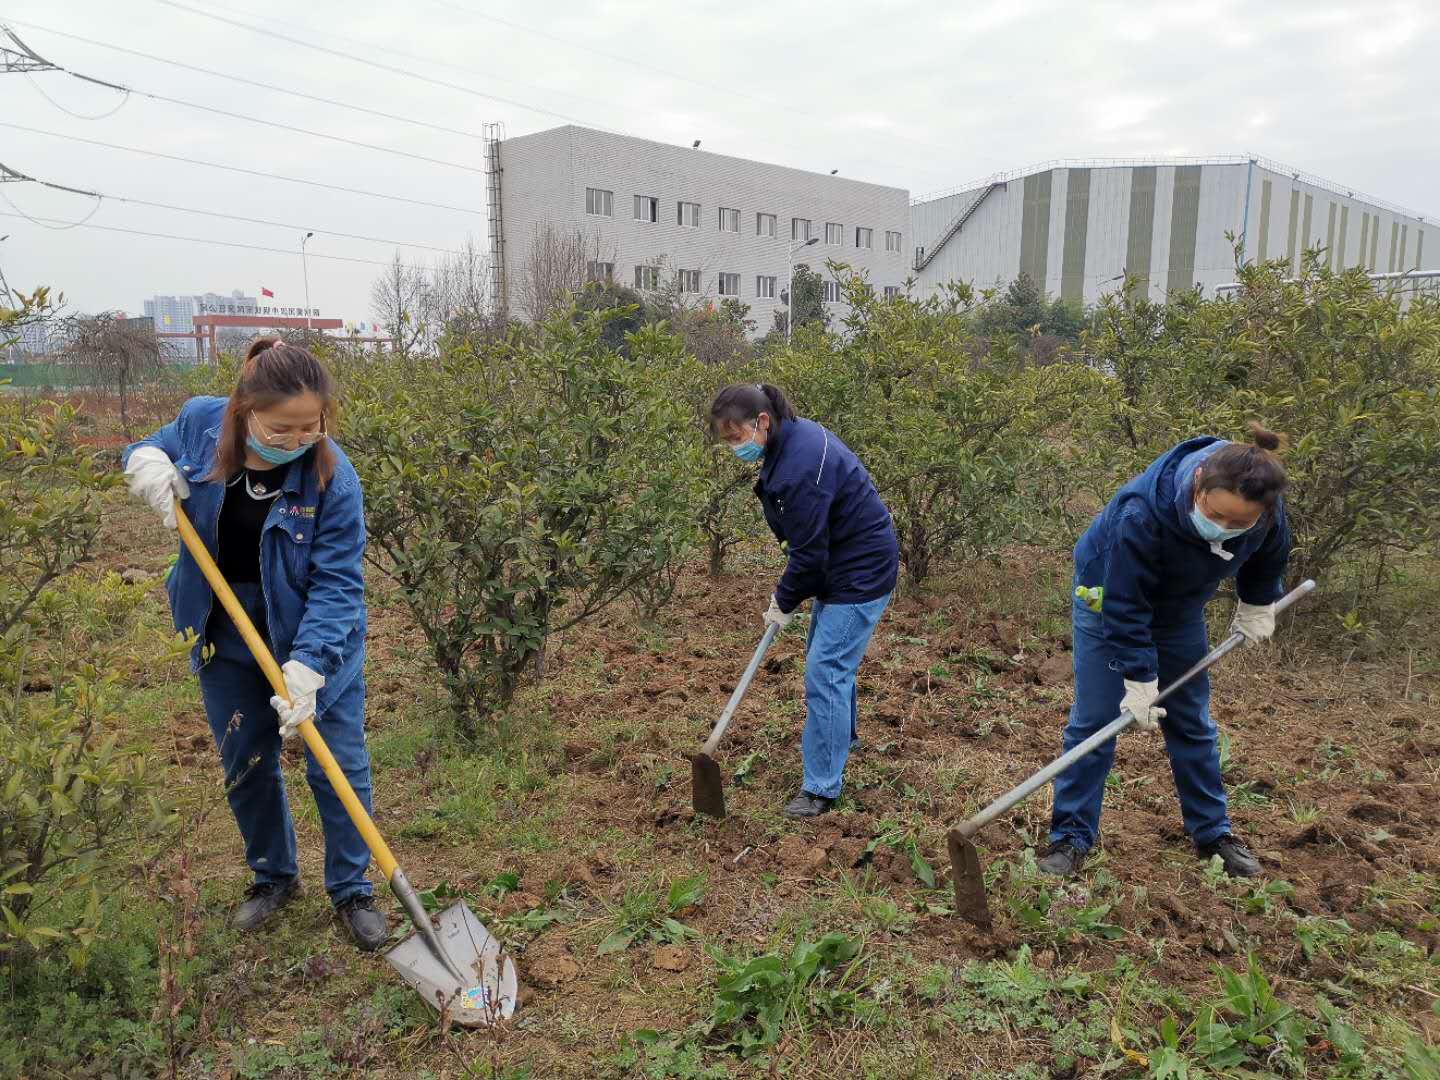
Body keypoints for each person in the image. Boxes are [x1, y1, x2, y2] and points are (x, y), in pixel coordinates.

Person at [122, 339, 386, 950]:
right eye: (281, 427)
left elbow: (338, 583)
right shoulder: (200, 422)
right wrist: (148, 464)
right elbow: (146, 448)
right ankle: (272, 878)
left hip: (313, 635)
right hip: (221, 626)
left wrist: (310, 666)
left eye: (309, 426)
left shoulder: (332, 476)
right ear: (244, 409)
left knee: (337, 762)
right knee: (247, 761)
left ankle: (353, 890)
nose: (297, 439)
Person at [1040, 424, 1291, 879]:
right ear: (1198, 483)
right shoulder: (1141, 513)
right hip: (1106, 599)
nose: (1226, 529)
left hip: (1179, 611)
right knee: (1095, 721)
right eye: (1218, 516)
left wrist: (1258, 602)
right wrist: (1138, 679)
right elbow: (1124, 603)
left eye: (1240, 523)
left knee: (1191, 721)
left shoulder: (1265, 507)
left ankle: (1213, 832)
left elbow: (1270, 554)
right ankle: (1070, 836)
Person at [710, 384, 899, 819]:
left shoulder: (799, 466)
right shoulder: (789, 435)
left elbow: (809, 557)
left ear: (761, 422)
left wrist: (784, 598)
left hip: (860, 570)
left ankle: (821, 788)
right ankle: (839, 736)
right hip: (841, 560)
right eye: (727, 441)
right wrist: (791, 592)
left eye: (737, 437)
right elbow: (810, 548)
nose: (734, 447)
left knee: (826, 669)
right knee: (827, 660)